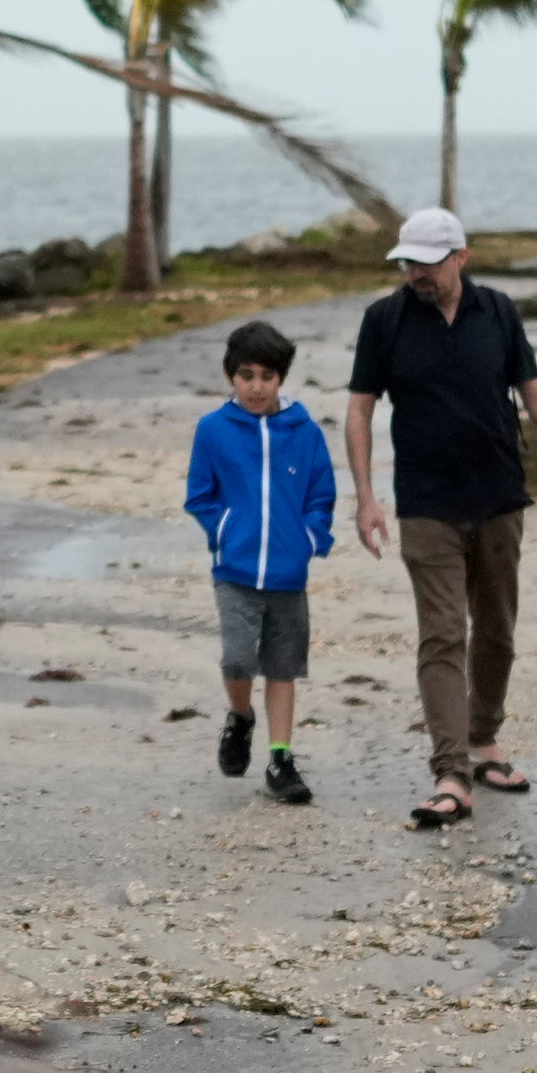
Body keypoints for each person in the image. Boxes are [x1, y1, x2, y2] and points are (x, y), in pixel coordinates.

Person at [339, 204, 537, 826]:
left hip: (499, 498)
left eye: (428, 262)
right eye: (408, 262)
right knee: (441, 634)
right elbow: (358, 409)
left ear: (461, 257)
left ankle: (484, 741)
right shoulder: (384, 320)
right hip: (427, 503)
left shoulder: (499, 312)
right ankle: (451, 772)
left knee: (497, 632)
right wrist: (366, 497)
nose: (416, 274)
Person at [179, 316, 337, 807]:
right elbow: (199, 496)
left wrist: (310, 537)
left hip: (290, 574)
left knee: (283, 666)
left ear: (281, 379)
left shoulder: (304, 430)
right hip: (235, 571)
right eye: (246, 376)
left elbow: (321, 492)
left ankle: (281, 758)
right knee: (237, 658)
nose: (256, 387)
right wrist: (225, 531)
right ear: (232, 375)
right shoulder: (213, 430)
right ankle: (240, 717)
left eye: (266, 377)